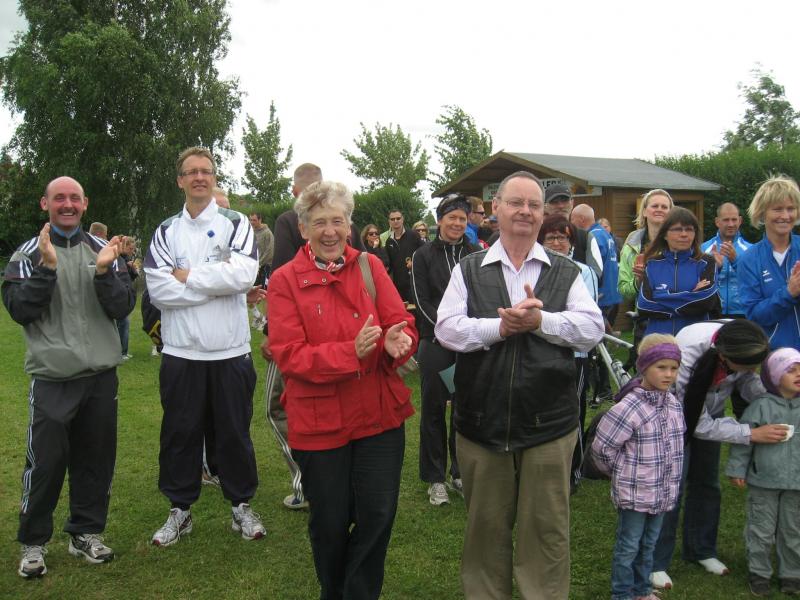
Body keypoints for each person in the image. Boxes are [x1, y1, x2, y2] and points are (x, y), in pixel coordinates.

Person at [435, 170, 604, 598]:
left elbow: (592, 329)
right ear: (496, 209)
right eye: (516, 202)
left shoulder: (565, 272)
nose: (525, 211)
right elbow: (447, 330)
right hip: (482, 422)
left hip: (549, 425)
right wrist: (500, 328)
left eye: (533, 204)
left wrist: (540, 321)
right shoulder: (469, 269)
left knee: (546, 532)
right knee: (484, 532)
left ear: (543, 213)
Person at [267, 181, 418, 600]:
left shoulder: (370, 266)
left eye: (338, 221)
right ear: (303, 229)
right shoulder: (284, 280)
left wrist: (400, 341)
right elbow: (290, 355)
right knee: (330, 524)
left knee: (377, 515)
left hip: (378, 416)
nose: (330, 231)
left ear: (349, 225)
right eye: (319, 222)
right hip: (320, 423)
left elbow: (399, 322)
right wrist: (350, 353)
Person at [3, 176, 135, 578]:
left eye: (74, 198)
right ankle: (34, 542)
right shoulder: (27, 254)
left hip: (100, 377)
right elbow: (20, 310)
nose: (67, 204)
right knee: (45, 463)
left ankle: (85, 533)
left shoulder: (103, 249)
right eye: (59, 198)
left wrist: (104, 271)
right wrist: (47, 269)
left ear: (85, 203)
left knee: (95, 460)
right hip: (53, 377)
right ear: (45, 204)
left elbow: (122, 307)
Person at [145, 146, 265, 546]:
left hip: (231, 352)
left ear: (214, 178)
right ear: (180, 180)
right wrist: (215, 283)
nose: (200, 177)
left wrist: (187, 276)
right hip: (181, 353)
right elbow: (160, 291)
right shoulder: (166, 231)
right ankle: (179, 511)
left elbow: (243, 276)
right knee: (179, 434)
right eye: (192, 171)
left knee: (234, 434)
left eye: (206, 171)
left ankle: (241, 506)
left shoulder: (236, 223)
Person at [650, 319, 790, 590]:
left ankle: (701, 550)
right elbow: (696, 421)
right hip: (674, 418)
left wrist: (776, 402)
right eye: (746, 366)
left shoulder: (745, 342)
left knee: (707, 483)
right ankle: (656, 561)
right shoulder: (689, 353)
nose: (751, 370)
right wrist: (750, 433)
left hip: (709, 414)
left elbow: (749, 382)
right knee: (672, 489)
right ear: (725, 358)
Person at [592, 334, 685, 600]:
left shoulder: (673, 404)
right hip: (634, 495)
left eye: (674, 368)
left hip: (662, 493)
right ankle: (622, 593)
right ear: (644, 366)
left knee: (649, 544)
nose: (669, 374)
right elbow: (602, 448)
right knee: (629, 546)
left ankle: (642, 590)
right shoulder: (629, 407)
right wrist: (623, 472)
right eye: (661, 367)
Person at [410, 193, 481, 506]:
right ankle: (435, 478)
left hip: (468, 345)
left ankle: (459, 472)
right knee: (434, 411)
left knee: (464, 410)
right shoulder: (423, 255)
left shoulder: (475, 253)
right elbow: (420, 299)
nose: (457, 223)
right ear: (439, 220)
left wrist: (472, 332)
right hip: (436, 344)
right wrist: (446, 332)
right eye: (452, 217)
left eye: (462, 219)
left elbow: (481, 296)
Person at [726, 347, 800, 597]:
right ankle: (759, 574)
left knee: (794, 530)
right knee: (761, 529)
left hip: (796, 484)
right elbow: (744, 441)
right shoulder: (760, 406)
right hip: (764, 482)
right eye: (791, 370)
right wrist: (737, 468)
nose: (799, 374)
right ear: (775, 376)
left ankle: (792, 574)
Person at [537, 214, 599, 492]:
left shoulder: (583, 271)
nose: (556, 242)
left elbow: (586, 316)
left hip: (574, 355)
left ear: (572, 242)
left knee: (573, 409)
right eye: (550, 237)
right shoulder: (536, 270)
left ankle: (573, 470)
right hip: (542, 351)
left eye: (562, 237)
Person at [738, 175, 800, 350]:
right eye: (778, 209)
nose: (785, 216)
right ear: (762, 213)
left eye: (791, 208)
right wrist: (789, 293)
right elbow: (754, 315)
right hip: (774, 354)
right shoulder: (749, 259)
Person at [637, 207, 720, 336]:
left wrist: (660, 295)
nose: (684, 234)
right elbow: (644, 306)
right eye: (677, 229)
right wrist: (691, 294)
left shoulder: (706, 262)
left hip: (694, 340)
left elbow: (706, 301)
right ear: (664, 234)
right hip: (659, 340)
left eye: (689, 229)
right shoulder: (652, 264)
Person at [618, 189, 674, 301]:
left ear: (671, 213)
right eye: (655, 206)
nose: (659, 209)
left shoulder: (680, 242)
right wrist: (639, 281)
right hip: (644, 310)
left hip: (676, 308)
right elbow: (623, 291)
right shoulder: (632, 245)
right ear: (644, 212)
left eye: (664, 207)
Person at [701, 202, 752, 318]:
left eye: (734, 220)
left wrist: (736, 261)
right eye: (726, 220)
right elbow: (698, 283)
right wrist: (715, 268)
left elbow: (755, 281)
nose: (730, 224)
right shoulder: (704, 249)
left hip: (743, 313)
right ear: (717, 222)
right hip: (713, 312)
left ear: (740, 220)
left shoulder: (751, 250)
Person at [544, 184, 602, 279]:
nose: (561, 206)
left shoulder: (585, 237)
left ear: (572, 203)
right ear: (545, 206)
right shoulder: (536, 235)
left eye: (564, 200)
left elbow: (596, 273)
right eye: (554, 202)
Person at [385, 209, 424, 303]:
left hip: (414, 284)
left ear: (402, 219)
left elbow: (424, 253)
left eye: (398, 218)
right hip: (398, 287)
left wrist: (414, 263)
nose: (395, 221)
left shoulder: (413, 235)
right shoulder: (389, 241)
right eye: (392, 219)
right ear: (389, 221)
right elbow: (389, 265)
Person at [117, 236, 139, 360]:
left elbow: (130, 278)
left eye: (133, 249)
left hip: (126, 295)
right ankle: (121, 352)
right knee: (123, 323)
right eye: (130, 248)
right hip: (119, 296)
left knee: (123, 323)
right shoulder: (117, 258)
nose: (132, 251)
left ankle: (123, 351)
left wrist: (133, 269)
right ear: (124, 246)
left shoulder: (126, 260)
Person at [249, 211, 274, 286]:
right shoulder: (251, 231)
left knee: (264, 289)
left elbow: (270, 252)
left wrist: (259, 264)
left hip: (265, 267)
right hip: (253, 266)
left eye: (254, 220)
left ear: (260, 220)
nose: (252, 222)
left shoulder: (267, 233)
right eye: (250, 220)